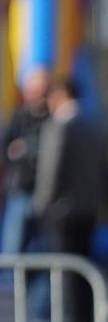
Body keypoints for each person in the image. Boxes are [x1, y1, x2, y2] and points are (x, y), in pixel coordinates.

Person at [31, 76, 107, 322]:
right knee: (84, 268)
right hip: (88, 208)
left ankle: (76, 321)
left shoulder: (61, 127)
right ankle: (86, 321)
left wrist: (42, 204)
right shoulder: (93, 125)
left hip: (62, 210)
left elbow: (50, 171)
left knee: (68, 270)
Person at [2, 68, 50, 257]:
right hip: (20, 188)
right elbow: (9, 148)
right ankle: (11, 286)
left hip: (44, 191)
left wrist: (27, 148)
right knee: (13, 245)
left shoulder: (51, 117)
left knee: (41, 247)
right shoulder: (19, 116)